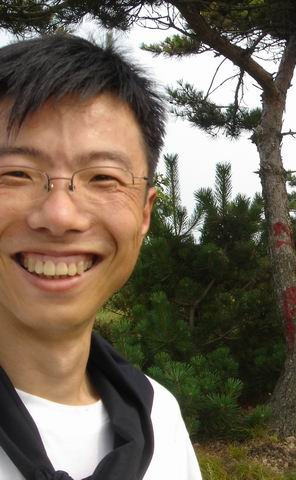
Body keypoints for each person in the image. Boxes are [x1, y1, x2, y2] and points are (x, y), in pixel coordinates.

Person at [0, 35, 201, 479]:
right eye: (15, 173)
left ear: (145, 214)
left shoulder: (160, 419)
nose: (60, 216)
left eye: (103, 178)